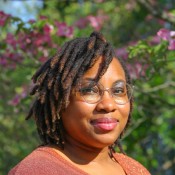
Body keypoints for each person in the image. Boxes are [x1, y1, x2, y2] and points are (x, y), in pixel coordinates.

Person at [8, 32, 151, 175]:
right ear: (60, 100)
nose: (108, 105)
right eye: (89, 90)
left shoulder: (135, 169)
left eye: (118, 90)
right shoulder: (36, 170)